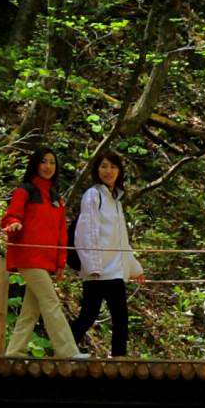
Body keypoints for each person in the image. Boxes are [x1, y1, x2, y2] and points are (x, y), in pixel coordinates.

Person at [0, 147, 82, 359]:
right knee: (51, 302)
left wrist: (61, 262)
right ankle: (68, 352)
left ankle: (14, 351)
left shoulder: (56, 198)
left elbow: (61, 233)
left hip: (46, 260)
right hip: (29, 257)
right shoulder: (24, 191)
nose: (48, 167)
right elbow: (11, 216)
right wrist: (14, 224)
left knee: (31, 310)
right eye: (44, 162)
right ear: (36, 164)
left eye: (52, 162)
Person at [70, 149, 143, 355]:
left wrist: (135, 269)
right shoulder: (93, 195)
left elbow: (121, 240)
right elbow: (86, 232)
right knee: (89, 315)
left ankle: (119, 358)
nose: (108, 171)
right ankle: (64, 349)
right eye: (103, 166)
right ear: (96, 169)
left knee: (119, 316)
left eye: (112, 167)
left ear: (119, 171)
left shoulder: (116, 201)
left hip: (115, 270)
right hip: (98, 270)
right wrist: (93, 266)